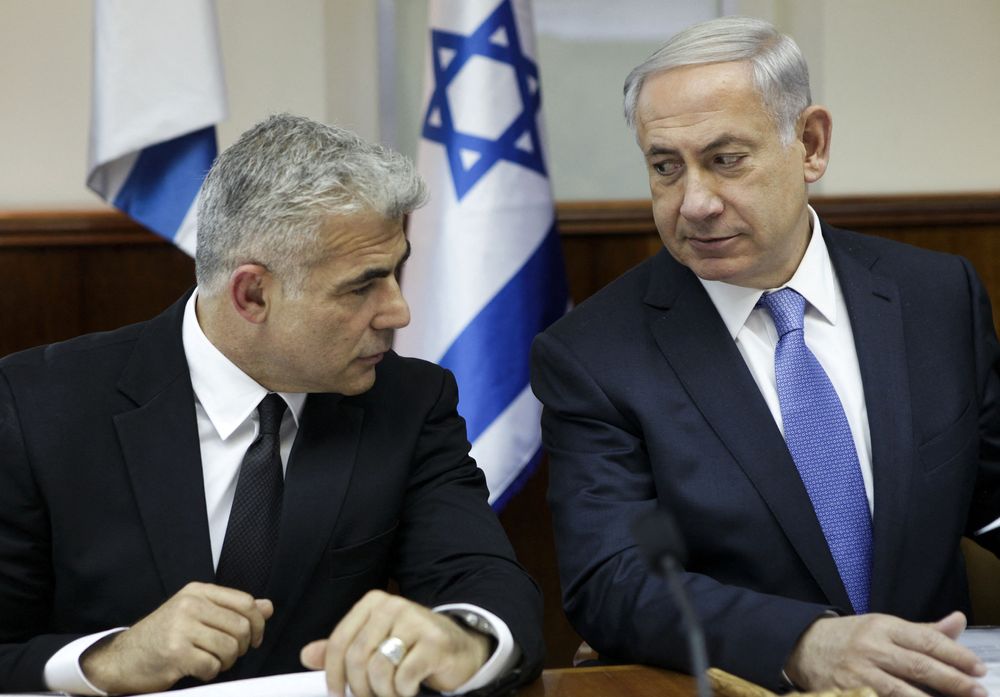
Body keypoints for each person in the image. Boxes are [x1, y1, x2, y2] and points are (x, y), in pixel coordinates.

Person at [531, 15, 1000, 697]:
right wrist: (802, 642)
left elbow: (990, 493)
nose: (693, 202)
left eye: (726, 159)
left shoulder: (934, 295)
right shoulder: (595, 354)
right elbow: (613, 580)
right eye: (665, 167)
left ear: (809, 144)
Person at [0, 114, 543, 696]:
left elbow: (485, 582)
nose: (398, 312)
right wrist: (106, 660)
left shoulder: (409, 403)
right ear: (252, 293)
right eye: (362, 286)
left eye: (396, 273)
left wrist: (460, 639)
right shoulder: (39, 406)